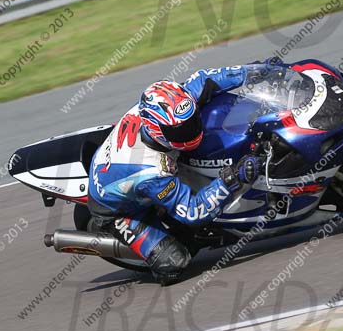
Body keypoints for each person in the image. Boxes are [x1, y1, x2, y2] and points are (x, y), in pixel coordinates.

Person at [87, 63, 275, 284]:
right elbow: (192, 212)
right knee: (175, 262)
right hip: (120, 209)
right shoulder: (151, 171)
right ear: (158, 131)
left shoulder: (173, 106)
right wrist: (233, 178)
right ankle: (155, 245)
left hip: (126, 161)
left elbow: (206, 78)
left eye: (193, 121)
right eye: (182, 129)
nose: (193, 129)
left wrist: (253, 72)